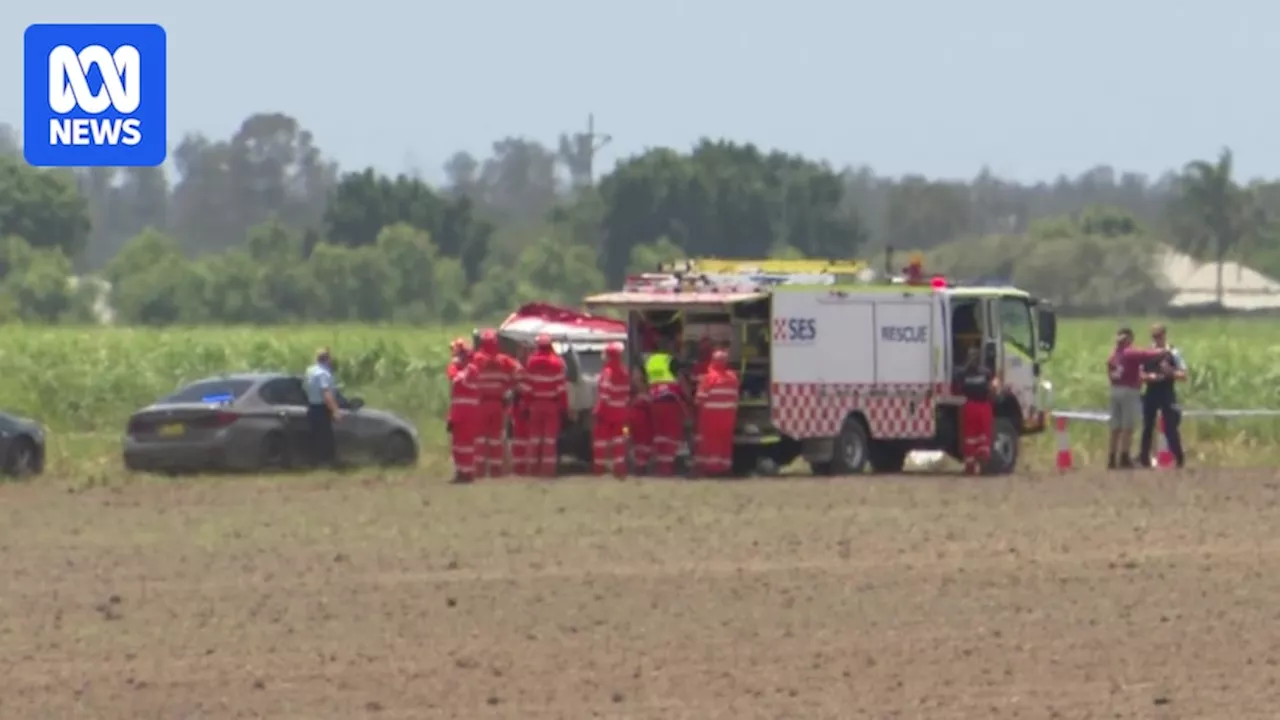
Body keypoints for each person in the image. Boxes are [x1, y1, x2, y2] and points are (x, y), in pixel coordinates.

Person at [1106, 327, 1170, 469]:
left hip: (1115, 389)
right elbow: (1149, 355)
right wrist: (1165, 349)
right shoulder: (1130, 353)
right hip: (1129, 390)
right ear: (1128, 339)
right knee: (1127, 426)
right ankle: (1124, 456)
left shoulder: (1112, 355)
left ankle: (1111, 457)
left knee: (1115, 427)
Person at [471, 329, 521, 478]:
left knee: (480, 439)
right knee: (496, 439)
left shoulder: (476, 359)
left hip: (480, 405)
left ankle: (479, 470)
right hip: (499, 405)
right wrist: (511, 388)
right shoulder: (504, 360)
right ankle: (496, 470)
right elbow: (520, 371)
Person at [1138, 323, 1188, 468]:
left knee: (1170, 426)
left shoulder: (1173, 352)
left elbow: (1183, 375)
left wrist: (1170, 372)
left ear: (1164, 335)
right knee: (1148, 426)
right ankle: (1144, 459)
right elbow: (1140, 373)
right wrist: (1148, 377)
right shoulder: (1147, 353)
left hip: (1167, 391)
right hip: (1151, 391)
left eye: (1159, 336)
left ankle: (1178, 458)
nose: (1157, 339)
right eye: (1154, 336)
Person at [519, 335, 568, 477]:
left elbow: (527, 388)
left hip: (535, 405)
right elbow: (561, 389)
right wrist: (563, 408)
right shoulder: (557, 363)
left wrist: (525, 407)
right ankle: (547, 470)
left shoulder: (531, 362)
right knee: (549, 440)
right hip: (551, 406)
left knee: (534, 439)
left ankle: (532, 469)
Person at [693, 350, 740, 477]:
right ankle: (725, 468)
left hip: (711, 418)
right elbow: (735, 397)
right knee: (725, 443)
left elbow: (699, 399)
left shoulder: (708, 378)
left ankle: (711, 469)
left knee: (711, 443)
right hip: (728, 418)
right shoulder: (733, 377)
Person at [645, 337, 688, 476]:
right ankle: (667, 467)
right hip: (670, 401)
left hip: (654, 401)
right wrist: (689, 397)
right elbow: (680, 380)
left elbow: (642, 380)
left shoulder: (650, 361)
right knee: (671, 436)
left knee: (659, 435)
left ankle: (660, 466)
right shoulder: (670, 361)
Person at [953, 346, 998, 475]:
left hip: (970, 407)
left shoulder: (962, 374)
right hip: (984, 407)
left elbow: (958, 389)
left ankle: (970, 467)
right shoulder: (986, 373)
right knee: (983, 436)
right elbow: (992, 389)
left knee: (970, 437)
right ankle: (983, 465)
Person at [593, 342, 631, 478]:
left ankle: (599, 468)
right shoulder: (624, 372)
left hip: (607, 413)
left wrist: (599, 411)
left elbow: (604, 394)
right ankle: (619, 468)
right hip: (620, 414)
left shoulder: (607, 372)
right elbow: (626, 395)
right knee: (619, 441)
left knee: (600, 441)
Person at [304, 347, 343, 467]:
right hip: (322, 408)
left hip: (311, 406)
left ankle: (315, 461)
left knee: (316, 436)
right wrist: (335, 410)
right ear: (327, 359)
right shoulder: (323, 374)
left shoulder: (310, 371)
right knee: (325, 437)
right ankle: (325, 462)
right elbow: (326, 393)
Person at [448, 353, 481, 483]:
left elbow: (457, 379)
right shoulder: (463, 372)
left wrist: (454, 366)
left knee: (465, 446)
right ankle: (460, 471)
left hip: (467, 416)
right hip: (458, 415)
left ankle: (467, 473)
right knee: (457, 446)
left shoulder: (472, 370)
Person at [509, 345, 532, 475]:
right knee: (519, 437)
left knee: (525, 438)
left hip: (526, 406)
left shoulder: (527, 367)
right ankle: (519, 466)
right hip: (520, 406)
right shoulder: (518, 368)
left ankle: (525, 465)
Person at [628, 374, 654, 475]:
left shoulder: (645, 399)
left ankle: (641, 465)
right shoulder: (637, 399)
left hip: (643, 425)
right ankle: (640, 465)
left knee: (641, 445)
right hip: (635, 424)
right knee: (638, 445)